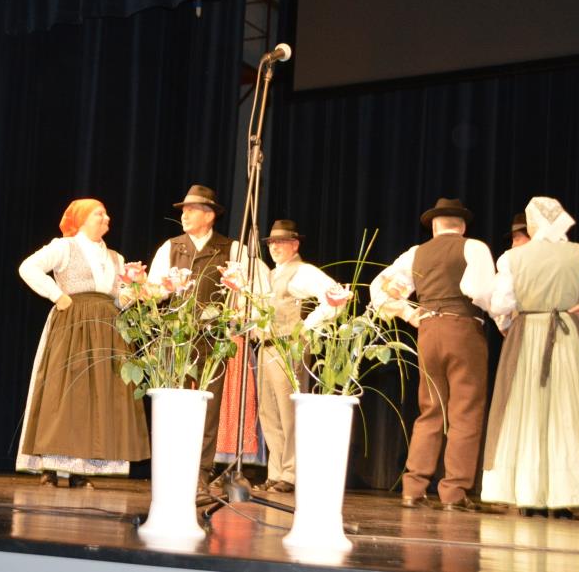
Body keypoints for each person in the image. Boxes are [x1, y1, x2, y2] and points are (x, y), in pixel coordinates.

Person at [482, 197, 579, 514]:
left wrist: (519, 304)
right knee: (568, 412)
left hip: (528, 335)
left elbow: (500, 304)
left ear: (533, 224)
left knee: (527, 412)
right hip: (567, 335)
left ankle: (529, 494)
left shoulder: (513, 258)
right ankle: (566, 495)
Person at [371, 198, 496, 512]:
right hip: (463, 329)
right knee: (465, 410)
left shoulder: (416, 253)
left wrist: (408, 313)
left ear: (435, 226)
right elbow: (481, 291)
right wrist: (502, 316)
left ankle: (413, 488)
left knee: (430, 409)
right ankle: (453, 492)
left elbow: (379, 287)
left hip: (428, 333)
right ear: (462, 226)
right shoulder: (474, 247)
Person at [17, 199, 150, 488]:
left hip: (107, 328)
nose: (107, 217)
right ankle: (53, 465)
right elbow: (28, 267)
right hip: (74, 324)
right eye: (99, 214)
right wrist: (56, 295)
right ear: (81, 218)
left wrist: (136, 291)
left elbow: (119, 297)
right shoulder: (64, 247)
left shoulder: (115, 257)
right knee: (66, 392)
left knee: (99, 396)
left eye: (106, 213)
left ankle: (81, 467)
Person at [146, 184, 264, 489]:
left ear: (209, 215)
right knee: (174, 402)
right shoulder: (171, 247)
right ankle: (172, 465)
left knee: (208, 406)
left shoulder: (232, 249)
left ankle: (201, 469)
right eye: (183, 210)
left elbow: (250, 290)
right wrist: (162, 290)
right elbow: (152, 291)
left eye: (191, 210)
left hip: (213, 337)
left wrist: (238, 315)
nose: (184, 216)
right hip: (176, 337)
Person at [253, 219, 342, 493]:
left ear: (294, 245)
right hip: (266, 346)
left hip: (287, 347)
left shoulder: (303, 272)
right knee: (268, 411)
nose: (275, 247)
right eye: (272, 243)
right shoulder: (270, 275)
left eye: (281, 242)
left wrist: (307, 326)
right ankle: (276, 471)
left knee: (288, 411)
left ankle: (291, 474)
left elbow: (336, 296)